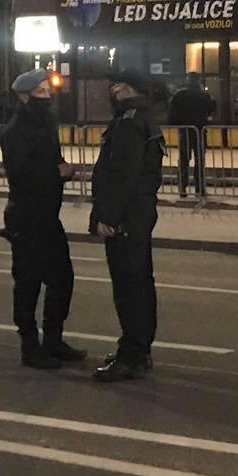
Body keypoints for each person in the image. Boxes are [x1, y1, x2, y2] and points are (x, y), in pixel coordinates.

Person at [0, 70, 83, 369]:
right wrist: (56, 173)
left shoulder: (46, 124)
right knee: (28, 283)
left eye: (49, 91)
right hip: (26, 216)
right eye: (41, 92)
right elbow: (20, 175)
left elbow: (49, 160)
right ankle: (30, 346)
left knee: (63, 278)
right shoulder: (16, 131)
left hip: (48, 215)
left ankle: (53, 339)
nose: (47, 96)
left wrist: (61, 168)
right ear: (24, 96)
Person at [88, 70, 165, 383]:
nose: (112, 89)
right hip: (140, 214)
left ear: (128, 89)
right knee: (141, 282)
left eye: (116, 85)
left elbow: (121, 175)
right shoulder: (143, 118)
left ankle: (131, 355)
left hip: (126, 217)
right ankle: (140, 348)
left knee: (128, 286)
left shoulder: (128, 123)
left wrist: (105, 216)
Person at [166, 72, 215, 200]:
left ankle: (182, 188)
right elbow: (211, 108)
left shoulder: (179, 95)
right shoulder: (203, 95)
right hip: (199, 130)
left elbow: (172, 115)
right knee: (200, 161)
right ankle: (200, 189)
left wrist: (179, 124)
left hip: (185, 131)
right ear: (198, 81)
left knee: (183, 160)